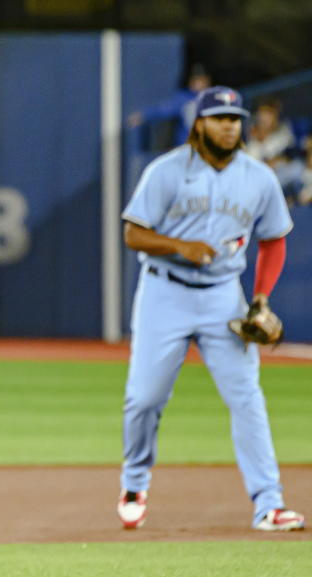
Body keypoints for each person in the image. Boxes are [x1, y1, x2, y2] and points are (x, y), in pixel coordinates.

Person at [116, 86, 305, 533]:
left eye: (235, 118)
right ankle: (134, 481)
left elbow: (274, 238)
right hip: (165, 292)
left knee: (247, 399)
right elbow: (133, 234)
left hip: (223, 295)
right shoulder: (166, 171)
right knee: (145, 398)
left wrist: (259, 298)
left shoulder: (258, 177)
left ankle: (269, 503)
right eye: (219, 117)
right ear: (199, 123)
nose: (229, 125)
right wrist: (181, 246)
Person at [127, 63, 211, 149]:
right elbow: (163, 110)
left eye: (201, 80)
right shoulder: (183, 98)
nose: (197, 83)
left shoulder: (214, 99)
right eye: (195, 80)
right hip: (187, 149)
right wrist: (144, 115)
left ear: (207, 81)